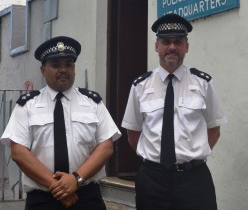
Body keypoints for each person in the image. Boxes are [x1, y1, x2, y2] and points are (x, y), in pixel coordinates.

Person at [1, 36, 121, 210]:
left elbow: (106, 146)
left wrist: (76, 180)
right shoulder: (27, 105)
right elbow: (18, 152)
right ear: (43, 70)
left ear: (74, 68)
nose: (63, 69)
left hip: (86, 197)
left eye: (69, 64)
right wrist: (58, 187)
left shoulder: (92, 102)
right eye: (56, 64)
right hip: (42, 199)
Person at [121, 13, 227, 210]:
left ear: (186, 47)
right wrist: (157, 161)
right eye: (166, 41)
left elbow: (214, 129)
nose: (172, 47)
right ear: (156, 46)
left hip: (194, 179)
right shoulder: (140, 86)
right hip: (152, 180)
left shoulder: (203, 83)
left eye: (178, 41)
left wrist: (191, 155)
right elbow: (133, 134)